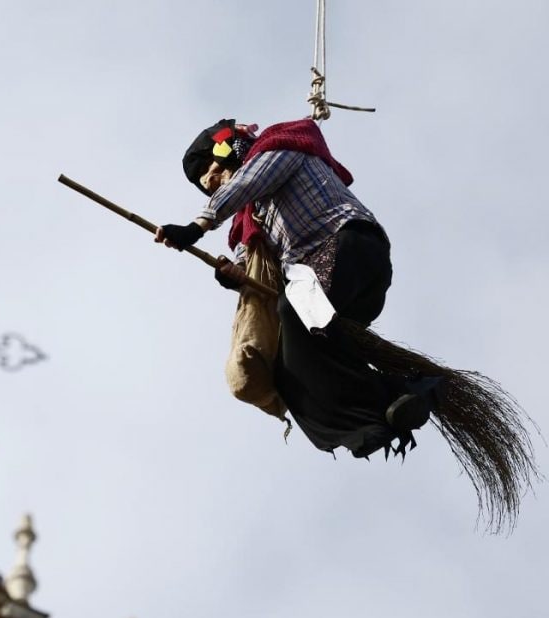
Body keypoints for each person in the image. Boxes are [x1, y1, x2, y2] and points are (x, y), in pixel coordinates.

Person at [154, 118, 440, 458]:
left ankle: (397, 390)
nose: (213, 183)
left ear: (230, 150)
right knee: (288, 370)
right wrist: (234, 275)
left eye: (213, 171)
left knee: (294, 309)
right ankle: (372, 423)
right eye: (207, 184)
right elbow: (253, 262)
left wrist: (196, 227)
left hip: (348, 247)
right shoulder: (253, 217)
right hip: (334, 292)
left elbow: (246, 183)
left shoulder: (282, 147)